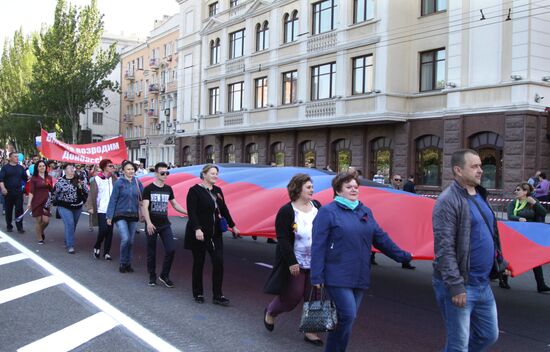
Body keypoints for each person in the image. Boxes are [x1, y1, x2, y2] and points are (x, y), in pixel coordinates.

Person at [311, 171, 413, 351]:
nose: (353, 190)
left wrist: (403, 256)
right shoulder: (327, 212)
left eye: (356, 187)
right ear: (338, 190)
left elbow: (381, 238)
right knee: (347, 315)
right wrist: (316, 276)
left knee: (346, 319)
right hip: (336, 274)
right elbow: (318, 245)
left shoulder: (365, 211)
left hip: (360, 274)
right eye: (348, 187)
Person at [432, 149, 509, 351]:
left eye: (480, 165)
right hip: (461, 285)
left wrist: (500, 261)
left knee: (488, 335)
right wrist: (456, 286)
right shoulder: (448, 201)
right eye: (474, 166)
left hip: (483, 283)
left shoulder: (481, 195)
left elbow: (490, 234)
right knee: (458, 345)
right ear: (458, 170)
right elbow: (444, 247)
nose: (480, 170)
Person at [263, 173, 323, 346]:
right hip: (295, 261)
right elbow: (282, 239)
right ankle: (271, 311)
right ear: (298, 189)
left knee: (315, 295)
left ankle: (311, 331)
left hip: (316, 261)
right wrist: (291, 262)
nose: (312, 190)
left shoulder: (317, 206)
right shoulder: (286, 211)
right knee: (293, 295)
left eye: (312, 187)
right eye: (309, 187)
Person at [184, 164, 240, 305]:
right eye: (212, 173)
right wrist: (197, 229)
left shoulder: (218, 190)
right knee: (199, 263)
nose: (215, 176)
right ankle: (198, 293)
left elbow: (224, 209)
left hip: (215, 233)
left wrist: (233, 226)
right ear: (204, 174)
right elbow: (192, 212)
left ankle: (217, 295)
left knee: (218, 262)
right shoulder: (194, 191)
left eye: (216, 173)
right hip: (199, 233)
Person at [142, 162, 187, 287]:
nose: (165, 175)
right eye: (163, 173)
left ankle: (164, 275)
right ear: (156, 173)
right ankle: (152, 276)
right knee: (151, 252)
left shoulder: (168, 188)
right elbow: (144, 207)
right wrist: (149, 223)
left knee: (171, 249)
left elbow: (175, 205)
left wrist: (188, 212)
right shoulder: (149, 188)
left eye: (167, 172)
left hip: (164, 224)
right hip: (152, 225)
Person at [500, 182, 549, 292]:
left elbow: (543, 212)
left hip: (530, 235)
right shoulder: (514, 203)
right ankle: (503, 280)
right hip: (515, 234)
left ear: (525, 192)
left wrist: (536, 204)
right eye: (516, 190)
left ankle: (541, 285)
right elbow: (510, 215)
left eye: (518, 190)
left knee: (535, 259)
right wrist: (519, 219)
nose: (516, 192)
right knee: (509, 257)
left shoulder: (532, 201)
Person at [106, 160, 143, 273]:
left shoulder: (137, 182)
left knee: (131, 241)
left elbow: (143, 197)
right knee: (125, 238)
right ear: (123, 171)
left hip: (133, 214)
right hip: (120, 214)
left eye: (132, 169)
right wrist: (109, 216)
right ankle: (122, 263)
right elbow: (113, 199)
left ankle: (128, 263)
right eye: (128, 169)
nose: (131, 171)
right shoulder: (119, 182)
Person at [52, 163, 88, 253]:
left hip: (77, 206)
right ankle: (70, 245)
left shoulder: (79, 180)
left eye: (73, 167)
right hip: (64, 206)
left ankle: (67, 239)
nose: (72, 169)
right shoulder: (60, 181)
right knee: (70, 223)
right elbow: (53, 194)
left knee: (73, 225)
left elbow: (87, 191)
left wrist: (82, 184)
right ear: (65, 170)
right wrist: (46, 206)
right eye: (70, 168)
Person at [85, 159, 117, 260]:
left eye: (113, 166)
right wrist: (90, 206)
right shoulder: (97, 179)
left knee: (110, 231)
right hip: (101, 208)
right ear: (104, 167)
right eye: (110, 166)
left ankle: (107, 253)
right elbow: (92, 194)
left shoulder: (114, 179)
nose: (113, 168)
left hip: (112, 209)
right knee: (103, 229)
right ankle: (97, 245)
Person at [0, 152, 28, 233]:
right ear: (10, 158)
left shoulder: (20, 168)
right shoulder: (5, 168)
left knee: (19, 209)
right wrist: (3, 188)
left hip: (18, 192)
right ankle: (9, 225)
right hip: (8, 192)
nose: (17, 158)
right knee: (9, 210)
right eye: (15, 156)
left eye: (17, 156)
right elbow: (1, 179)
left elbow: (26, 178)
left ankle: (20, 227)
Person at [27, 160, 53, 244]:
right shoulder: (34, 178)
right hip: (36, 201)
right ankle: (39, 238)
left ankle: (41, 231)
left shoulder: (49, 177)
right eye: (40, 166)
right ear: (37, 168)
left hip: (46, 201)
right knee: (38, 220)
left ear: (46, 167)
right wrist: (29, 203)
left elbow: (51, 190)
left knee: (46, 221)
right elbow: (31, 191)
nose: (42, 167)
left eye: (43, 166)